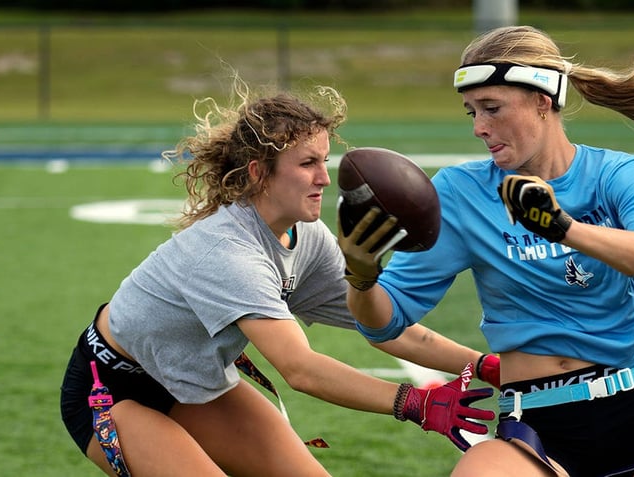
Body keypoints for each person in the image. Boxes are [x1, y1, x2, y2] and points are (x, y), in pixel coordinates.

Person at [338, 9, 634, 477]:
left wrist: (564, 228)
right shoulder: (460, 192)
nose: (478, 126)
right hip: (537, 424)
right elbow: (385, 321)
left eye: (492, 108)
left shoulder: (616, 174)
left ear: (542, 100)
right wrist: (361, 273)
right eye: (472, 112)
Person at [59, 77, 498, 477]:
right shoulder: (227, 252)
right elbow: (300, 369)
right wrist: (412, 402)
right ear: (259, 173)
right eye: (307, 163)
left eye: (325, 160)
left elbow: (381, 326)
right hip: (111, 390)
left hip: (192, 384)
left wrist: (481, 365)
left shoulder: (306, 234)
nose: (325, 178)